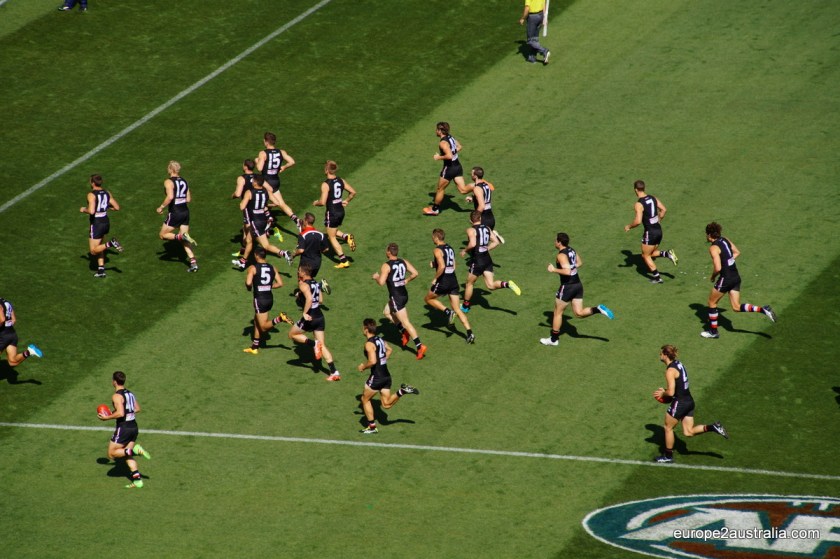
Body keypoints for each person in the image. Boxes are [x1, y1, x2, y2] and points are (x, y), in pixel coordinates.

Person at [652, 345, 728, 463]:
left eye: (661, 353)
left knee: (668, 428)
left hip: (680, 402)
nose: (660, 355)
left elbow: (671, 392)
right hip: (689, 401)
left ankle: (668, 456)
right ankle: (713, 427)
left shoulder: (670, 371)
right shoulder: (679, 364)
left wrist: (663, 393)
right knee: (688, 432)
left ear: (666, 355)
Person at [701, 222, 776, 339]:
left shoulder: (713, 248)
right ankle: (763, 310)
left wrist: (713, 276)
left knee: (712, 303)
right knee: (736, 307)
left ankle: (713, 332)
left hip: (726, 279)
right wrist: (727, 262)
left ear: (709, 235)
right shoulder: (725, 239)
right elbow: (737, 252)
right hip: (735, 277)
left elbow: (718, 268)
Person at [540, 232, 614, 346]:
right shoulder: (571, 250)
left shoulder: (561, 255)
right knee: (579, 313)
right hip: (577, 285)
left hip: (567, 287)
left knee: (557, 313)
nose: (554, 242)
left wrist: (553, 269)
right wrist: (570, 267)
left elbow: (567, 272)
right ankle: (598, 309)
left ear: (559, 242)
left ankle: (554, 340)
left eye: (555, 240)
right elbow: (579, 263)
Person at [357, 318, 420, 434]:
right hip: (386, 375)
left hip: (377, 377)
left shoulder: (369, 344)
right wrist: (382, 361)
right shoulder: (380, 339)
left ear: (366, 329)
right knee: (386, 404)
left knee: (364, 399)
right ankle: (402, 391)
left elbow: (372, 361)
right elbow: (389, 350)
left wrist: (363, 367)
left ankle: (372, 427)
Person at [283, 265, 341, 381]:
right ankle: (334, 371)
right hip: (319, 316)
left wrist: (305, 312)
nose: (298, 272)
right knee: (322, 345)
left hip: (310, 317)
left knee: (292, 334)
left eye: (299, 271)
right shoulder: (315, 283)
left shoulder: (303, 284)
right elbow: (320, 300)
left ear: (304, 273)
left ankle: (313, 344)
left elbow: (309, 299)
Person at [373, 243, 427, 359]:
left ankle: (419, 346)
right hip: (403, 294)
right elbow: (415, 273)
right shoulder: (403, 261)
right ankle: (404, 332)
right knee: (387, 312)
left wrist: (376, 277)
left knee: (406, 322)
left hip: (396, 297)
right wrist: (407, 280)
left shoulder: (386, 265)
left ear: (389, 252)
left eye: (386, 250)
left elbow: (381, 282)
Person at [97, 371, 151, 488]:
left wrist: (107, 418)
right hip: (134, 427)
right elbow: (137, 409)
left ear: (114, 382)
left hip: (124, 428)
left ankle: (136, 451)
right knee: (126, 454)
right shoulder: (130, 394)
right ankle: (137, 480)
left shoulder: (116, 396)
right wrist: (115, 412)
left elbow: (121, 413)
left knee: (111, 454)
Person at [460, 210, 521, 313]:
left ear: (470, 220)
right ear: (480, 218)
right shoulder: (487, 228)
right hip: (487, 259)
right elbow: (496, 242)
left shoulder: (471, 230)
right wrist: (486, 249)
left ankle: (465, 306)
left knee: (469, 283)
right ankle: (507, 284)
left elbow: (473, 243)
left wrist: (464, 250)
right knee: (490, 285)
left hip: (478, 260)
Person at [424, 229, 475, 344]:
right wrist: (435, 264)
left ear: (436, 237)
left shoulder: (437, 250)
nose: (432, 239)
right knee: (457, 309)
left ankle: (448, 312)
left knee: (428, 299)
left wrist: (435, 278)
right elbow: (453, 265)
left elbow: (442, 266)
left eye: (433, 237)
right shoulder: (450, 248)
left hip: (443, 281)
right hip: (453, 280)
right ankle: (470, 333)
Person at [623, 180, 678, 283]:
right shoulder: (653, 198)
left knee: (645, 255)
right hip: (658, 230)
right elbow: (664, 210)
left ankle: (657, 278)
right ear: (644, 188)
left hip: (650, 232)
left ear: (635, 190)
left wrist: (629, 226)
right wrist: (659, 220)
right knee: (651, 253)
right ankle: (667, 254)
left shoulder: (639, 204)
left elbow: (638, 221)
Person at [242, 247, 293, 354]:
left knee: (263, 327)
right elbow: (280, 283)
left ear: (256, 255)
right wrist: (268, 286)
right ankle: (254, 347)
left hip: (260, 300)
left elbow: (248, 283)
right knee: (256, 321)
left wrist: (249, 287)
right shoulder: (272, 267)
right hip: (269, 299)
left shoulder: (253, 268)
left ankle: (280, 318)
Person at [313, 160, 357, 269]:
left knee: (331, 237)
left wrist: (316, 203)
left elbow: (322, 202)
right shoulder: (341, 180)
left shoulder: (325, 184)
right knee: (332, 230)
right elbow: (353, 192)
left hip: (332, 212)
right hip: (341, 211)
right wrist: (346, 200)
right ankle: (346, 237)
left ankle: (344, 261)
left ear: (326, 170)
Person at [237, 175, 289, 266]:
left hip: (255, 221)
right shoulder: (267, 191)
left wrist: (245, 203)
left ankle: (284, 253)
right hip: (263, 220)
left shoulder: (249, 192)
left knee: (265, 245)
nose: (252, 182)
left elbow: (242, 207)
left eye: (253, 181)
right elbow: (276, 203)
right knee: (249, 240)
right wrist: (264, 205)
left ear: (255, 183)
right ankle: (243, 261)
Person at [156, 161, 198, 272]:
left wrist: (161, 207)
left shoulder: (168, 181)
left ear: (171, 169)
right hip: (185, 211)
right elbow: (188, 199)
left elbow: (170, 197)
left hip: (175, 212)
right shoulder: (184, 181)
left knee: (162, 235)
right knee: (185, 239)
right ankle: (193, 263)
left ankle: (180, 237)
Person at [80, 174, 123, 278]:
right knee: (100, 246)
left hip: (96, 223)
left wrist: (83, 209)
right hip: (105, 221)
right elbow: (117, 207)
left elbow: (91, 211)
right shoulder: (107, 192)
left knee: (93, 251)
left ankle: (111, 243)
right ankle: (101, 270)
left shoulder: (91, 194)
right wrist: (107, 207)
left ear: (92, 183)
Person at [255, 132, 301, 231]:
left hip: (266, 182)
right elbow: (292, 162)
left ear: (266, 142)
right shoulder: (281, 152)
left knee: (259, 202)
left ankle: (268, 221)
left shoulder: (263, 153)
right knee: (281, 203)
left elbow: (259, 168)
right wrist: (284, 167)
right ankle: (296, 220)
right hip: (275, 180)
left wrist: (257, 160)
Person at [422, 122, 466, 216]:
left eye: (436, 129)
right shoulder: (451, 137)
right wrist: (450, 152)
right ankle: (479, 185)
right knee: (463, 190)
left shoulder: (443, 143)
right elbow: (459, 147)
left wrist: (439, 157)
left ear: (440, 131)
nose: (435, 131)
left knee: (440, 189)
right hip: (458, 167)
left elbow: (449, 156)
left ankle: (434, 210)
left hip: (449, 168)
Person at [461, 166, 504, 244]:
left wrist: (474, 218)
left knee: (473, 241)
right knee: (479, 241)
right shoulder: (486, 185)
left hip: (483, 219)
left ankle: (493, 236)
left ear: (475, 176)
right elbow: (485, 197)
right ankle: (492, 234)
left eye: (472, 174)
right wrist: (473, 198)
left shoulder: (477, 188)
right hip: (490, 217)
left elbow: (482, 206)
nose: (471, 175)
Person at [231, 159, 258, 267]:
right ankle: (244, 248)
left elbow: (238, 194)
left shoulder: (242, 178)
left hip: (248, 207)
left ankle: (246, 257)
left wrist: (233, 195)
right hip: (258, 206)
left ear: (246, 167)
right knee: (245, 228)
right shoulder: (258, 177)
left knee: (249, 231)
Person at [0, 298, 43, 367]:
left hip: (2, 336)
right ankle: (29, 352)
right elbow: (14, 320)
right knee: (12, 361)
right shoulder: (5, 301)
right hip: (11, 333)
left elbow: (2, 320)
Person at [518, 0, 550, 64]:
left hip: (532, 17)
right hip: (541, 15)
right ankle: (532, 57)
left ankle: (544, 51)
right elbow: (543, 4)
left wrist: (523, 18)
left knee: (530, 41)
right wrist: (544, 17)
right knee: (535, 38)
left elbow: (527, 8)